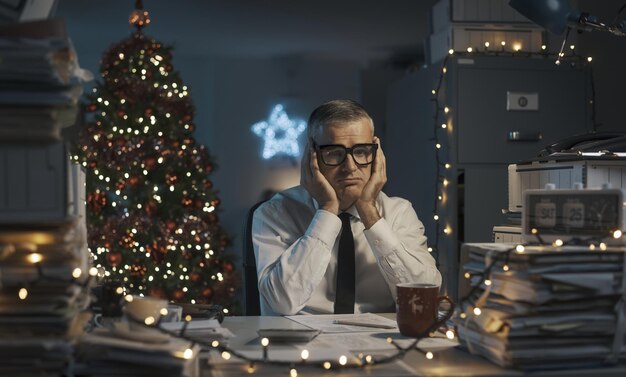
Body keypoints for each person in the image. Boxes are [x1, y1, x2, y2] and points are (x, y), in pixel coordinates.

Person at [252, 99, 441, 316]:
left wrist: (369, 211)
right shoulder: (273, 213)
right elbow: (280, 303)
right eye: (334, 153)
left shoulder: (399, 212)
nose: (350, 167)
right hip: (302, 344)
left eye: (361, 151)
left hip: (379, 344)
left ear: (376, 154)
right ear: (312, 155)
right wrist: (328, 210)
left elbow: (426, 298)